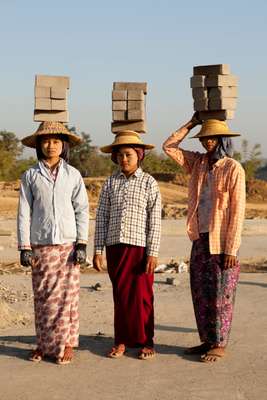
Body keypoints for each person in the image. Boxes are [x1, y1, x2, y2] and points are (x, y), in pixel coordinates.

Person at [163, 115, 246, 363]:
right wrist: (191, 123)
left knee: (222, 294)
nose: (208, 142)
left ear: (222, 140)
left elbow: (238, 210)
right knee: (201, 292)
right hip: (200, 237)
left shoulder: (233, 168)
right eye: (204, 138)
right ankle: (207, 340)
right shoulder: (198, 163)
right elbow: (169, 147)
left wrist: (231, 249)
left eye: (212, 138)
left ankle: (219, 343)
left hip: (223, 241)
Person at [17, 121, 89, 365]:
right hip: (41, 244)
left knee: (67, 297)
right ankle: (43, 344)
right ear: (38, 145)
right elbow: (24, 212)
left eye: (56, 141)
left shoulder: (73, 175)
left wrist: (82, 243)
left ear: (64, 145)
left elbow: (82, 209)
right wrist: (24, 247)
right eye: (46, 141)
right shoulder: (30, 175)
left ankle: (67, 343)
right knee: (44, 297)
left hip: (68, 245)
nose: (51, 146)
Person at [93, 130, 161, 360]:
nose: (124, 159)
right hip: (115, 248)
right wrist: (98, 250)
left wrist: (152, 253)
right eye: (120, 155)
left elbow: (155, 221)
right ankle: (121, 340)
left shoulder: (149, 182)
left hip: (140, 249)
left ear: (139, 155)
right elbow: (102, 217)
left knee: (143, 297)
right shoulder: (110, 183)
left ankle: (146, 341)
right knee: (121, 297)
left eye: (128, 155)